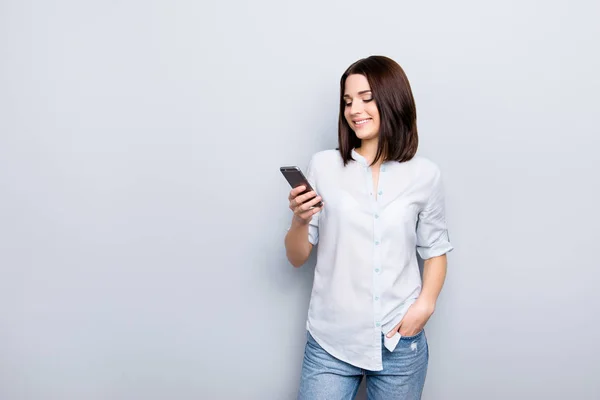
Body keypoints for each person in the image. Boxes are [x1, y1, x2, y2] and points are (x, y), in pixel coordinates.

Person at [284, 55, 454, 400]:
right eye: (347, 101)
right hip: (330, 340)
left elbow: (435, 250)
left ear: (392, 99)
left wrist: (425, 307)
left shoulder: (425, 175)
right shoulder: (323, 166)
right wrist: (300, 219)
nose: (354, 109)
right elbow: (296, 256)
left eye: (365, 97)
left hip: (398, 341)